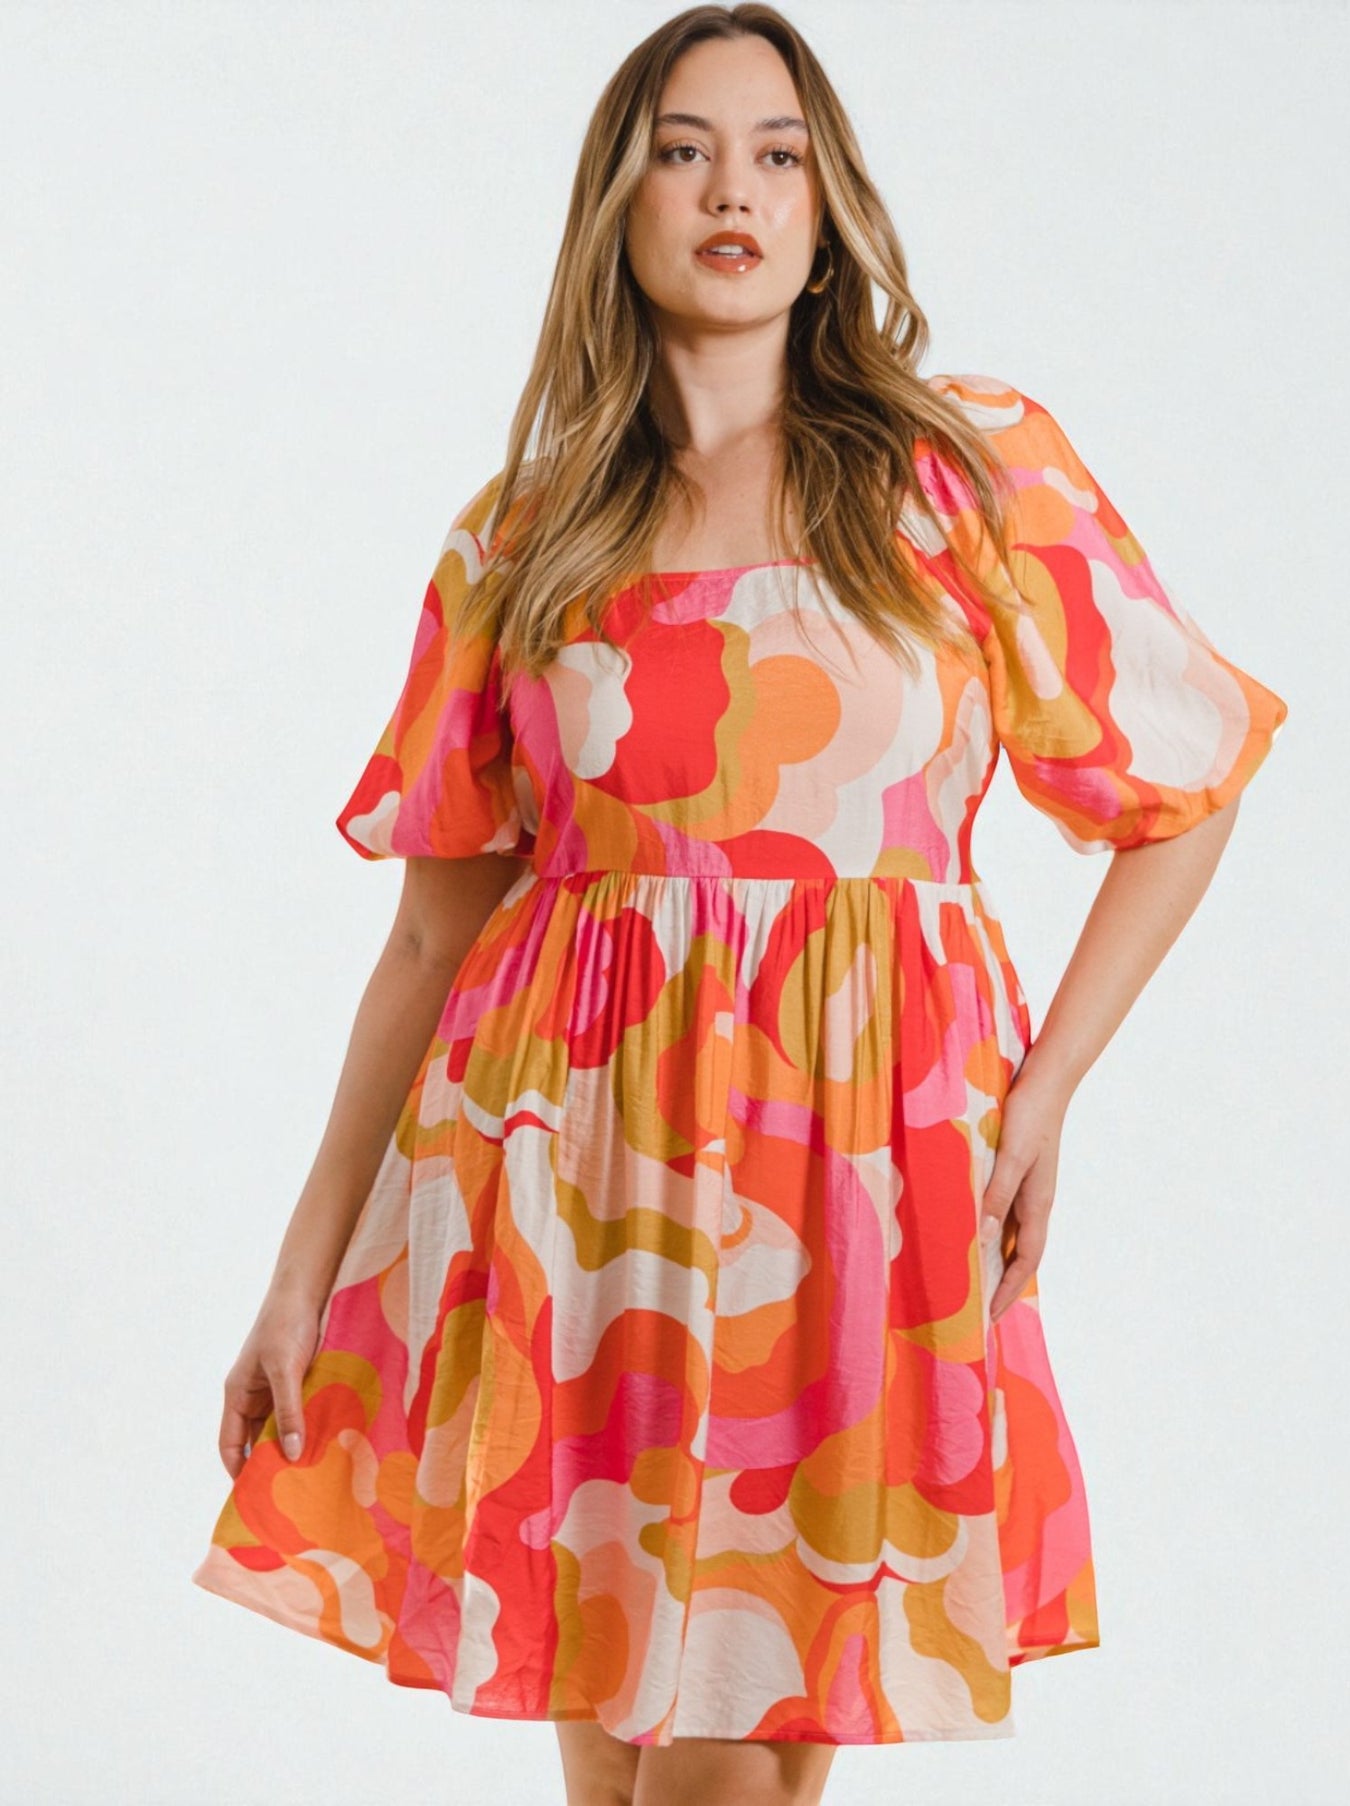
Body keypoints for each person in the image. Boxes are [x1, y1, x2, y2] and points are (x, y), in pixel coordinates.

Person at [190, 7, 1288, 1804]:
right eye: (685, 149)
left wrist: (1044, 1094)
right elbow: (427, 933)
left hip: (854, 1170)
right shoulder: (528, 535)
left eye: (777, 151)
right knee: (618, 1754)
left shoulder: (960, 470)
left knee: (736, 1757)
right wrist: (300, 1270)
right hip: (573, 1177)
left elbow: (1186, 783)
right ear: (617, 202)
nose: (734, 190)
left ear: (826, 200)